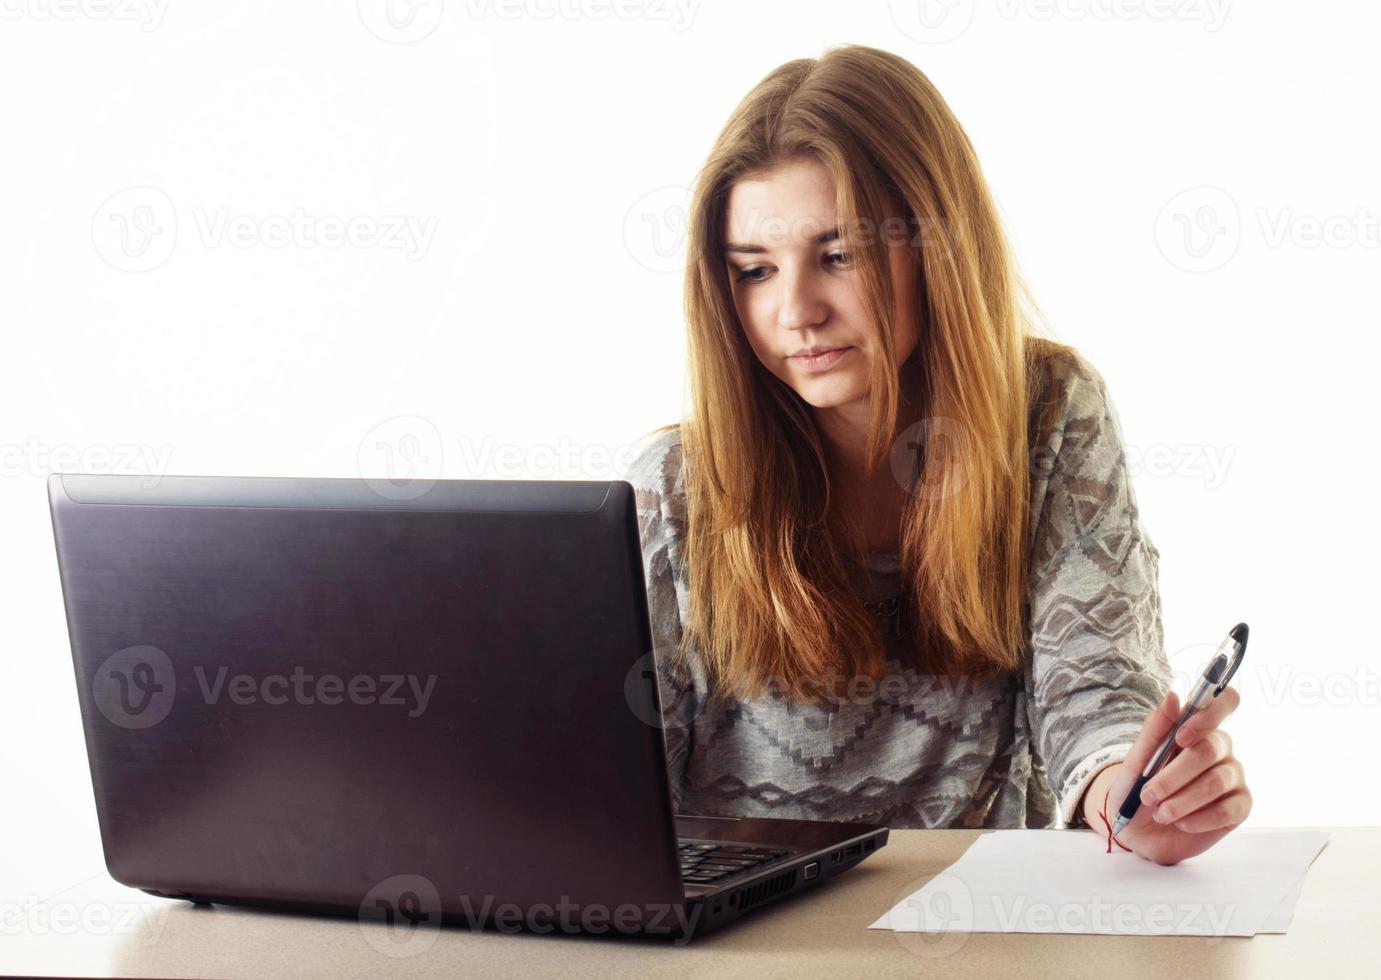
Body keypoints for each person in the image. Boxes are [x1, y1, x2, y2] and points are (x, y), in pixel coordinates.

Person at [624, 44, 1250, 866]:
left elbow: (1092, 694)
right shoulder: (672, 488)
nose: (795, 310)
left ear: (934, 247)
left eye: (838, 255)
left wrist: (1131, 797)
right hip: (744, 935)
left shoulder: (1050, 414)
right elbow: (611, 781)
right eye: (753, 270)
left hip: (980, 924)